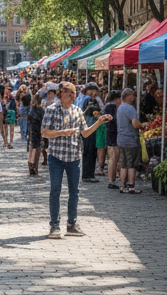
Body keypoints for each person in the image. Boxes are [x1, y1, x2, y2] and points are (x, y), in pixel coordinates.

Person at [40, 81, 113, 238]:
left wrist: (99, 122)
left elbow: (85, 133)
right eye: (69, 93)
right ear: (61, 93)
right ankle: (54, 226)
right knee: (55, 190)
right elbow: (44, 132)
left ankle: (72, 224)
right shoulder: (51, 110)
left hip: (74, 156)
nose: (72, 96)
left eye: (73, 93)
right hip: (56, 157)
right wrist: (62, 132)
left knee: (75, 191)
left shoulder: (77, 111)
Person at [116, 87, 143, 193]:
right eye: (133, 96)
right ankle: (131, 187)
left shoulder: (120, 107)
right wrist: (142, 125)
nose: (134, 98)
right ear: (130, 96)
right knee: (131, 164)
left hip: (121, 139)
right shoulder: (130, 108)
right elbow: (135, 124)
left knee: (123, 164)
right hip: (130, 140)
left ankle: (122, 186)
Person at [80, 84, 103, 182]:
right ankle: (88, 175)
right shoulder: (90, 100)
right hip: (90, 127)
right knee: (90, 152)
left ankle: (87, 174)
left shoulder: (83, 98)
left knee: (88, 152)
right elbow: (94, 111)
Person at [103, 91, 121, 188]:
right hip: (113, 133)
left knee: (113, 157)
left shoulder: (107, 106)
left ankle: (112, 179)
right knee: (114, 157)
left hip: (110, 132)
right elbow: (113, 120)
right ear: (117, 99)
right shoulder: (112, 107)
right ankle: (111, 180)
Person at [26, 93, 45, 176]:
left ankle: (31, 166)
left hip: (31, 130)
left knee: (32, 148)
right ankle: (35, 167)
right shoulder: (40, 110)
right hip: (38, 130)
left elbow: (28, 122)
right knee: (37, 149)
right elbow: (43, 121)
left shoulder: (30, 110)